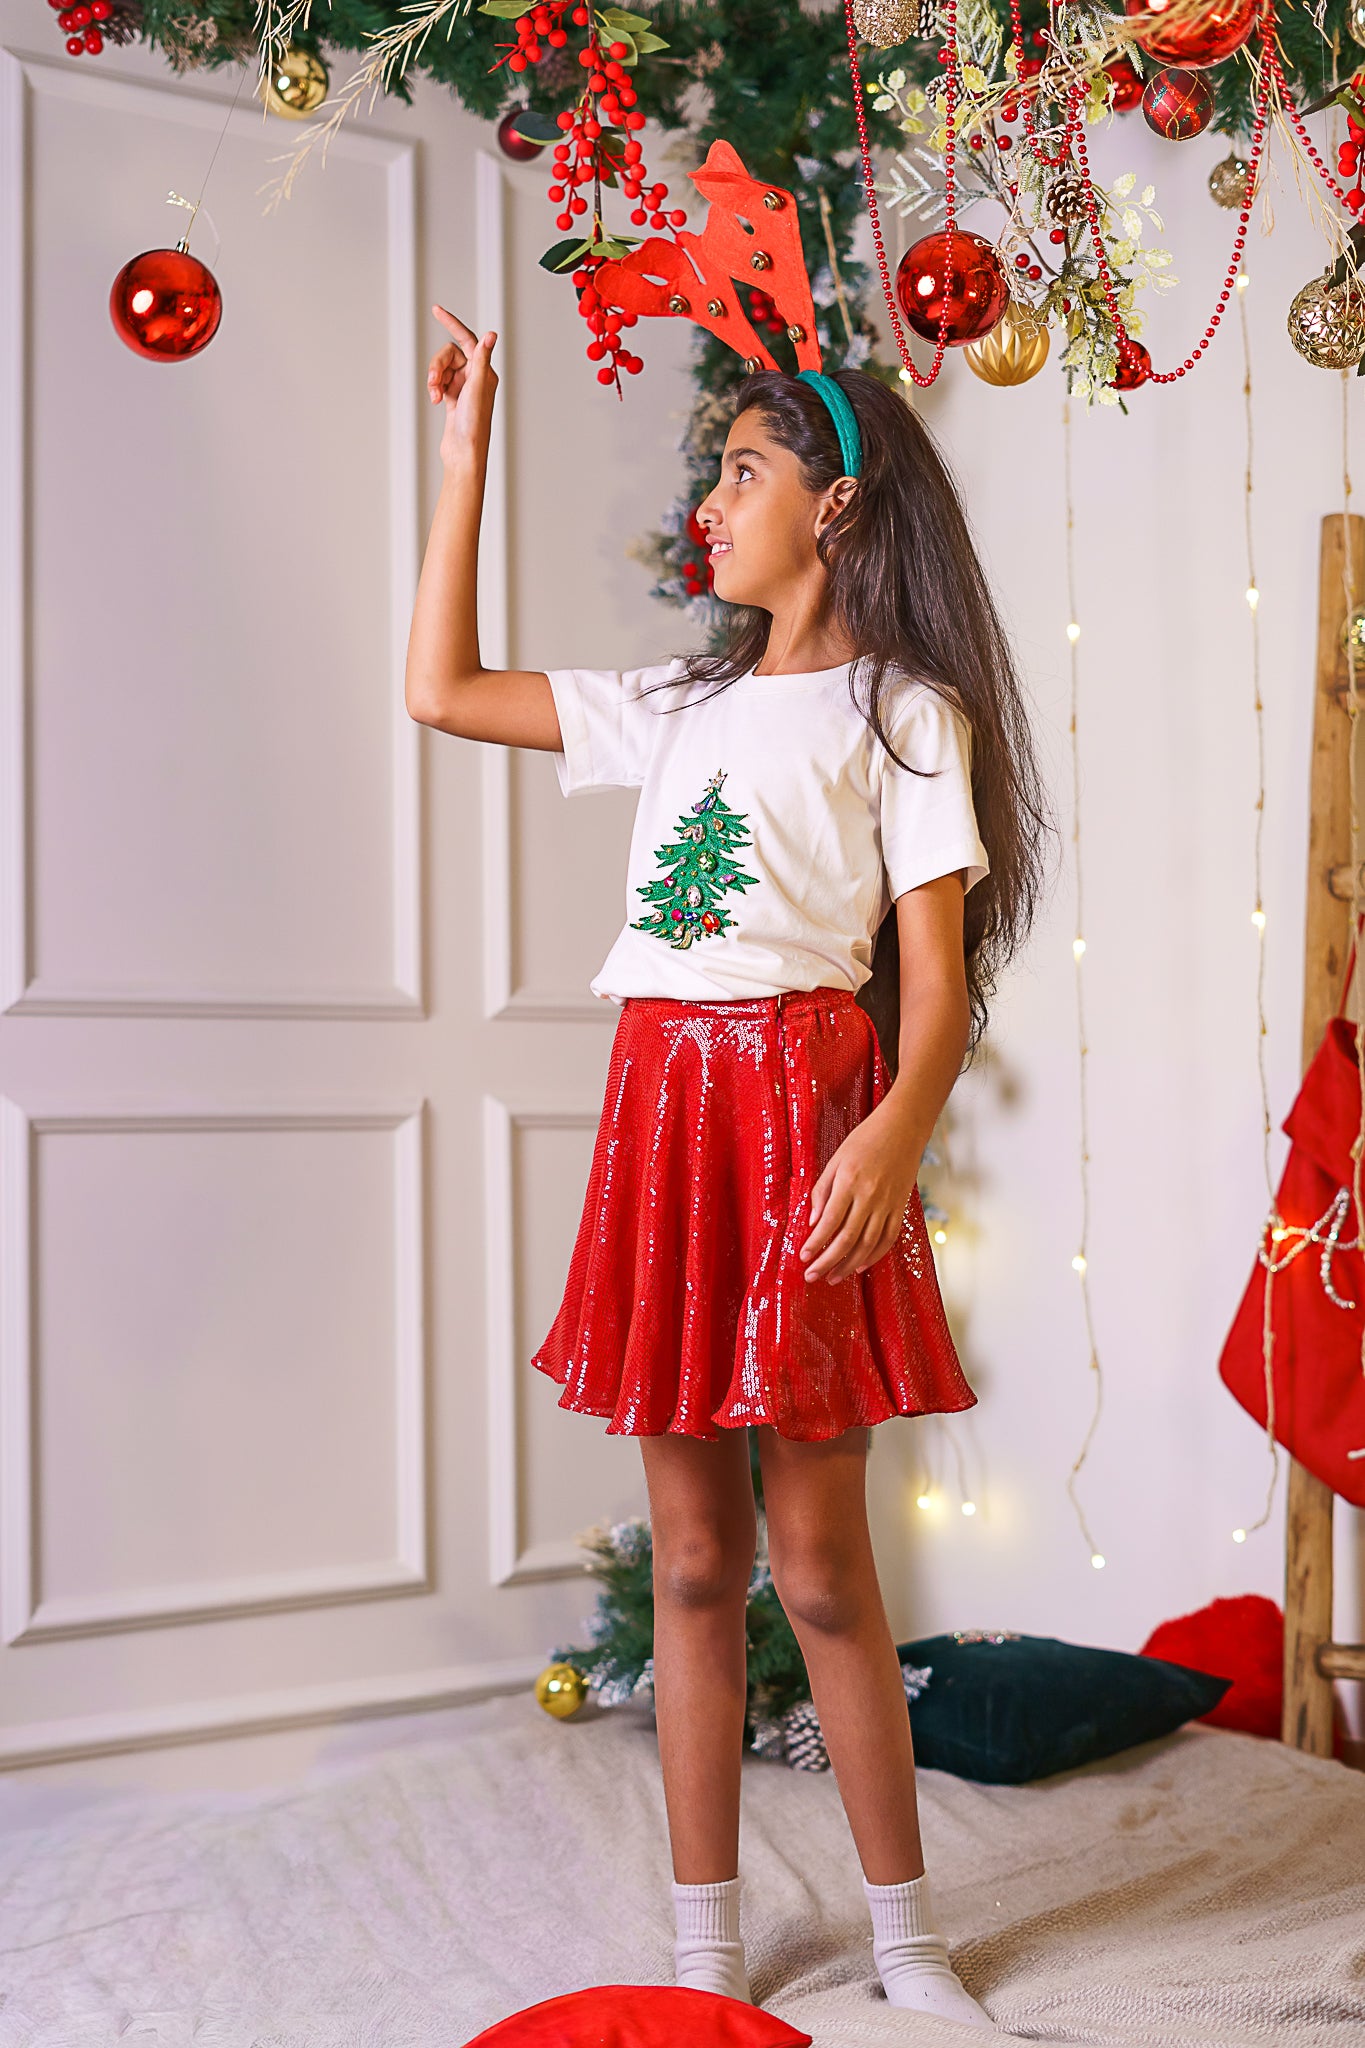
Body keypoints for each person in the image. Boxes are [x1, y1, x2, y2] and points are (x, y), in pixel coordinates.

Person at [406, 305, 1051, 2030]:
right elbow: (440, 690)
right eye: (712, 473)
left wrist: (891, 1136)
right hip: (665, 1114)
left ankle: (907, 1940)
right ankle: (704, 1944)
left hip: (808, 1120)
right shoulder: (674, 702)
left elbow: (935, 990)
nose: (708, 502)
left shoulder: (905, 712)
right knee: (691, 1562)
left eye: (742, 471)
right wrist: (466, 455)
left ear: (834, 504)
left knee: (820, 1565)